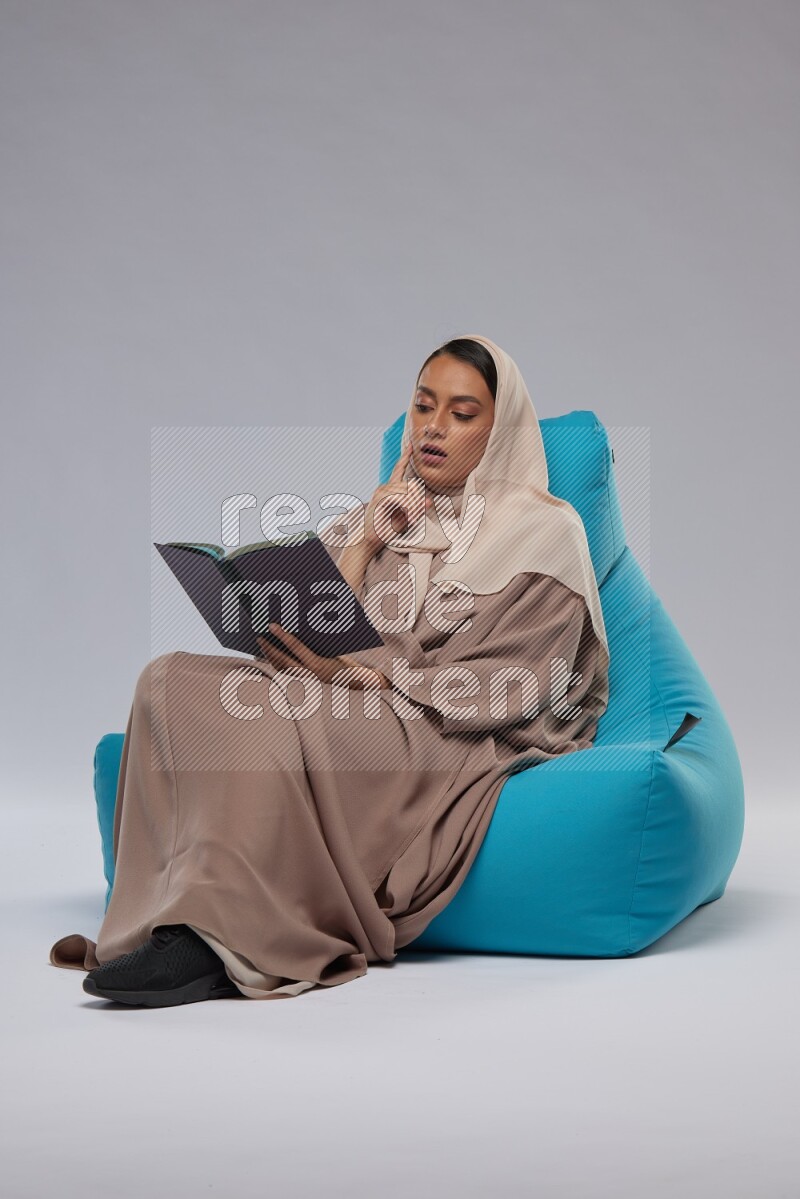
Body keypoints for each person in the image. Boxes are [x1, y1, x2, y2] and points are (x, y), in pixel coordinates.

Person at [49, 333, 611, 1006]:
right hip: (348, 696)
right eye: (423, 406)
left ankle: (216, 940)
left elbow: (523, 679)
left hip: (442, 724)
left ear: (501, 429)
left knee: (267, 718)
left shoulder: (547, 530)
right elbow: (320, 629)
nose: (433, 428)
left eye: (462, 414)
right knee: (166, 680)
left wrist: (369, 678)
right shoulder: (384, 511)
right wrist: (368, 539)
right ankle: (159, 914)